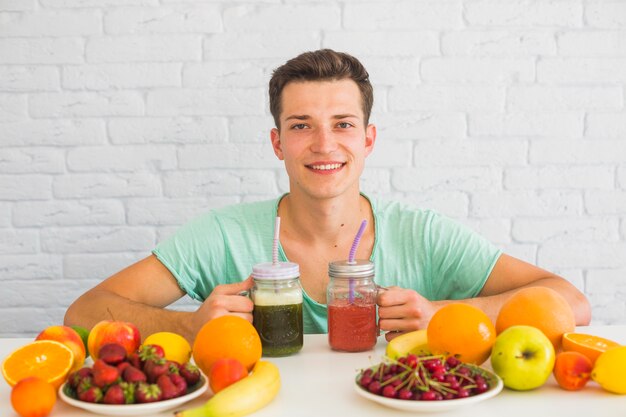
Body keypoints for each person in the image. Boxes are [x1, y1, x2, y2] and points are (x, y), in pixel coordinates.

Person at [64, 49, 591, 343]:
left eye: (342, 124)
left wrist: (446, 315)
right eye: (300, 126)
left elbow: (572, 301)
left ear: (368, 139)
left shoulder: (422, 234)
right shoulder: (222, 235)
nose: (323, 145)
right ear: (277, 142)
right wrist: (188, 324)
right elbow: (83, 311)